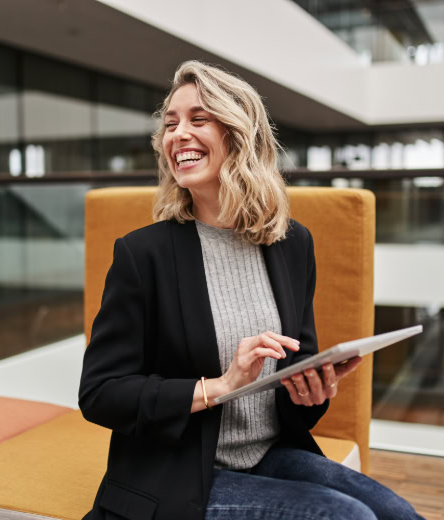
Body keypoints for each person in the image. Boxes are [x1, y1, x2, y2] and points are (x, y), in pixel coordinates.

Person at [79, 60, 423, 520]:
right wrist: (219, 386)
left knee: (394, 513)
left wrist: (311, 391)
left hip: (268, 454)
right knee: (346, 516)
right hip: (174, 472)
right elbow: (100, 392)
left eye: (198, 119)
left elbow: (298, 365)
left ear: (240, 135)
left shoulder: (292, 243)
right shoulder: (143, 255)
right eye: (170, 124)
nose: (178, 134)